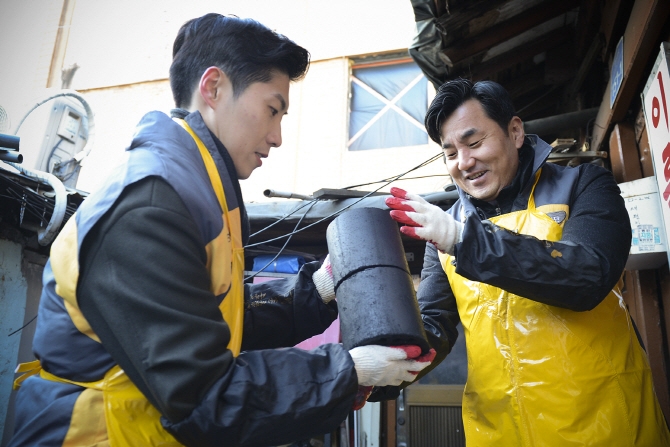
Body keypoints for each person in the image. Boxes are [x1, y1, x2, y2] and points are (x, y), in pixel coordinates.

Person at [8, 14, 435, 447]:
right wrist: (349, 370)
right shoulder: (152, 202)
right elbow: (203, 396)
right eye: (273, 110)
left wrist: (319, 290)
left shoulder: (198, 189)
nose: (278, 136)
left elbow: (213, 322)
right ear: (213, 89)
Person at [384, 78, 670, 446]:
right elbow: (434, 324)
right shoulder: (443, 231)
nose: (464, 162)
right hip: (501, 432)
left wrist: (464, 240)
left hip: (605, 422)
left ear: (515, 132)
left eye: (474, 143)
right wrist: (384, 366)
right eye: (450, 153)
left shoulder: (584, 185)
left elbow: (588, 276)